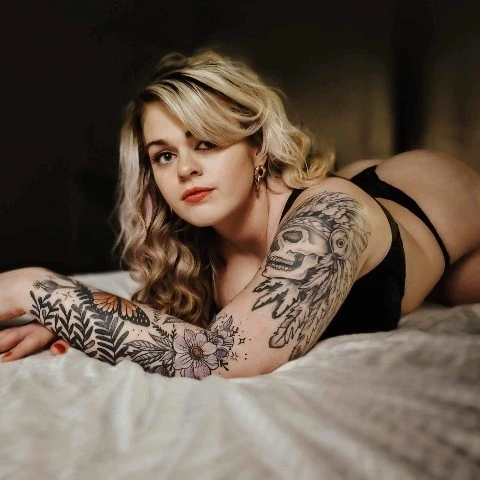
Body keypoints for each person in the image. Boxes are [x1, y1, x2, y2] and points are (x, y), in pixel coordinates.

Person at [1, 50, 480, 379]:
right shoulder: (195, 241)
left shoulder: (331, 217)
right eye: (164, 155)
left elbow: (219, 357)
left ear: (258, 147)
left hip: (430, 200)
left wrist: (35, 289)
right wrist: (69, 317)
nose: (185, 169)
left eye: (206, 143)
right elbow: (160, 325)